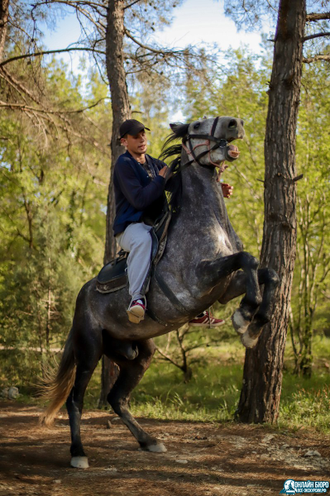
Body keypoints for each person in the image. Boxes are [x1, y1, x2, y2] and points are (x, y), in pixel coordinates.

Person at [113, 119, 230, 327]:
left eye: (143, 134)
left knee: (181, 245)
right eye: (135, 136)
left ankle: (196, 310)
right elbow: (139, 200)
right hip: (131, 229)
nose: (141, 139)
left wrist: (217, 189)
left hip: (156, 226)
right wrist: (159, 180)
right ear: (124, 141)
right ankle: (137, 298)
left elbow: (180, 186)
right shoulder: (124, 165)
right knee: (144, 241)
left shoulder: (154, 163)